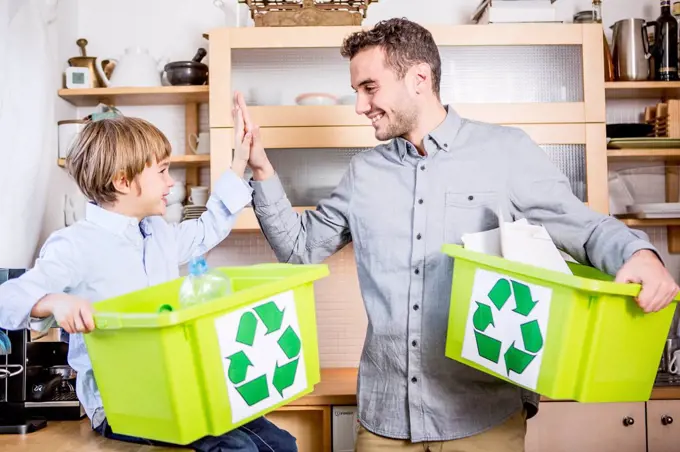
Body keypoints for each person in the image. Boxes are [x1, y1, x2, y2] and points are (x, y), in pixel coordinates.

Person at [232, 18, 680, 452]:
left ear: (419, 78)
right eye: (356, 91)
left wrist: (638, 255)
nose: (359, 106)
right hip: (385, 422)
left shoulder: (505, 152)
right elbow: (299, 249)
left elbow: (579, 226)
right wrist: (262, 169)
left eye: (370, 88)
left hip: (481, 416)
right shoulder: (363, 172)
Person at [0, 115, 297, 452]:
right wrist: (54, 302)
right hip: (121, 405)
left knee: (280, 443)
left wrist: (240, 160)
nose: (170, 183)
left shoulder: (156, 233)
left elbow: (205, 230)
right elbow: (7, 298)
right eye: (162, 172)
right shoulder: (74, 245)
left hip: (173, 392)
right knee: (240, 449)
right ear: (123, 180)